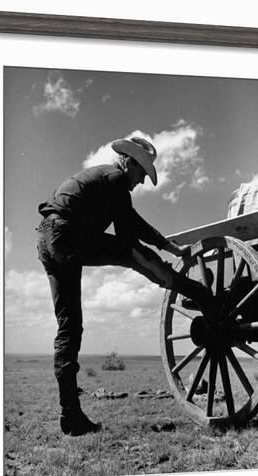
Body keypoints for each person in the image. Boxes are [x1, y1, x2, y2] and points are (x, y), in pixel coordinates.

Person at [36, 136, 211, 436]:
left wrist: (168, 246)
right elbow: (130, 237)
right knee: (130, 252)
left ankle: (70, 415)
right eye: (142, 173)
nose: (141, 181)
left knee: (69, 328)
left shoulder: (107, 180)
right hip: (66, 233)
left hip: (47, 239)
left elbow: (133, 222)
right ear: (128, 162)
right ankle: (190, 290)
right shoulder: (116, 179)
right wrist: (163, 267)